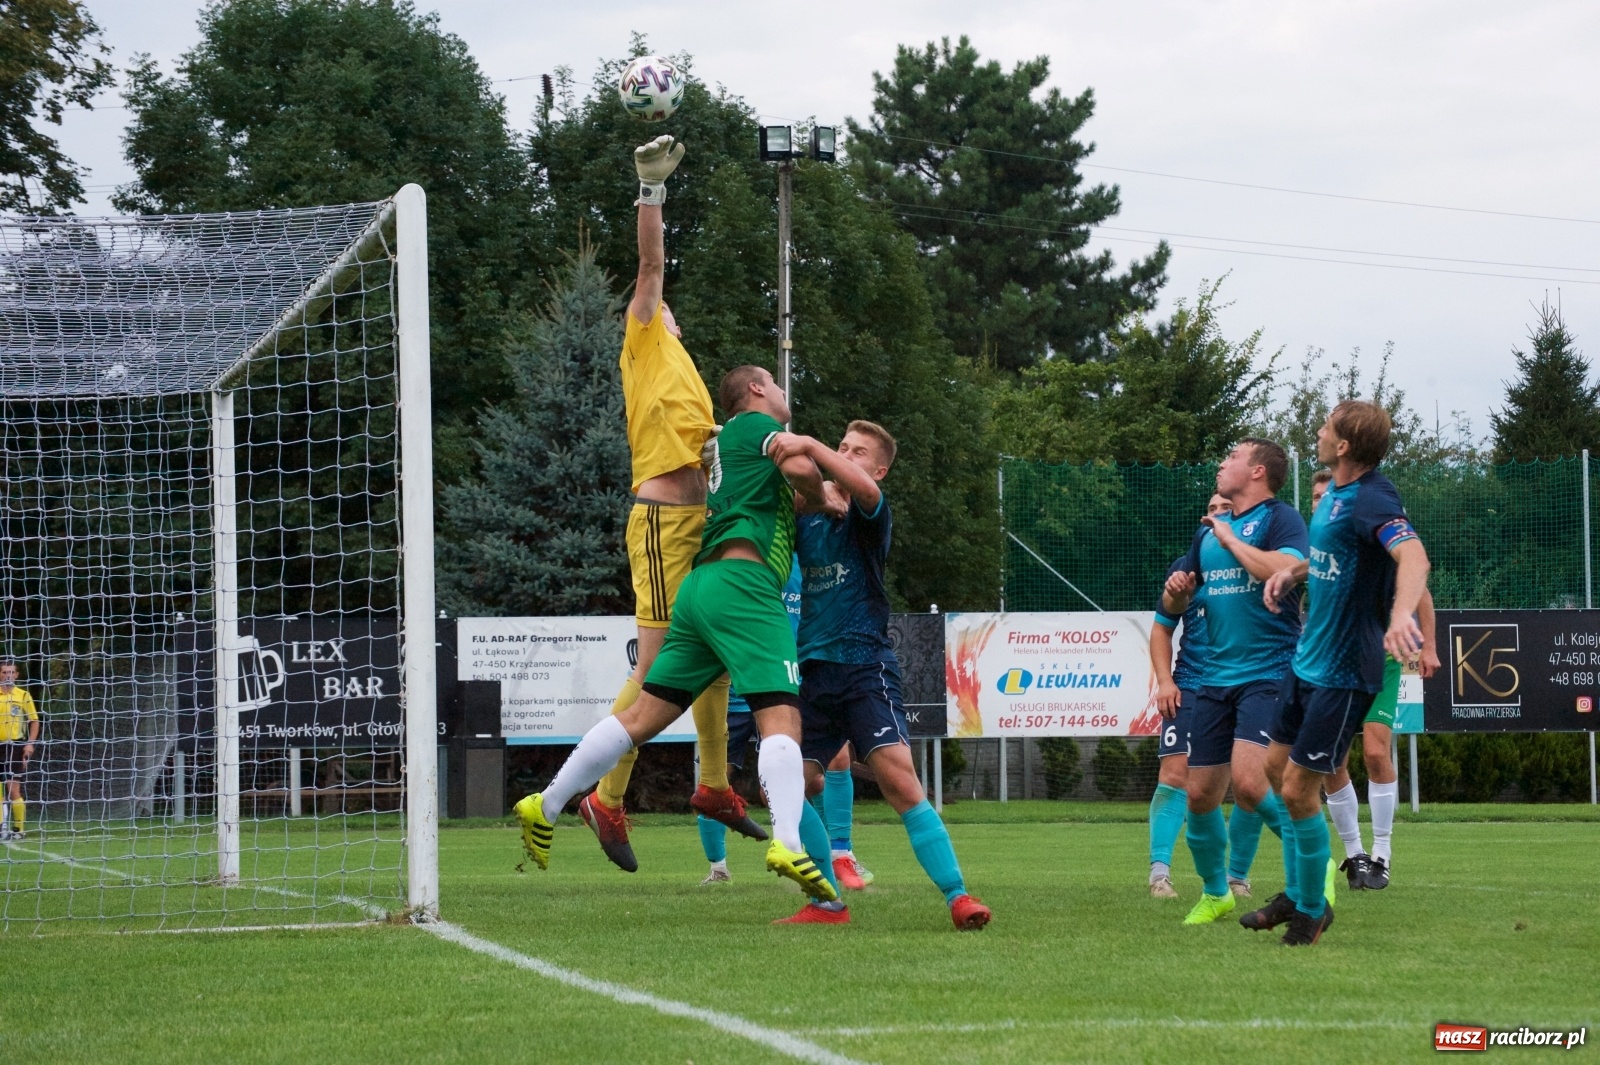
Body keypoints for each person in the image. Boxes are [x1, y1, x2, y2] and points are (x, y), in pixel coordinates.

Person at [516, 365, 838, 907]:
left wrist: (810, 494)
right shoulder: (748, 426)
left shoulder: (738, 458)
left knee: (641, 717)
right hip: (743, 584)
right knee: (782, 717)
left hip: (701, 590)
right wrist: (822, 484)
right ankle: (786, 843)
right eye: (777, 386)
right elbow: (801, 463)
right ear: (756, 391)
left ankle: (545, 804)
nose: (783, 396)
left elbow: (785, 493)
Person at [576, 134, 763, 873]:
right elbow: (651, 263)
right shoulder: (645, 335)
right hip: (660, 524)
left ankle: (714, 785)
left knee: (711, 659)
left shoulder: (680, 363)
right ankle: (605, 795)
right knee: (660, 667)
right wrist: (650, 187)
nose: (663, 305)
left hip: (697, 522)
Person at [772, 421, 991, 930]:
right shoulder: (811, 514)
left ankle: (958, 897)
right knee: (786, 782)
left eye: (856, 451)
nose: (844, 454)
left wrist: (809, 446)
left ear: (879, 468)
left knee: (899, 780)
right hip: (815, 672)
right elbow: (790, 486)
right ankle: (828, 903)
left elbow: (860, 489)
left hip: (865, 667)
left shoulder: (870, 514)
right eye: (842, 445)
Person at [1245, 400, 1431, 946]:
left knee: (1303, 790)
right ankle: (1303, 894)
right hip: (1308, 661)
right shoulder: (1336, 494)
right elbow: (1335, 557)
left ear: (1345, 445)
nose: (1319, 431)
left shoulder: (1374, 496)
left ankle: (1309, 910)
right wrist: (1296, 572)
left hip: (1345, 670)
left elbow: (1415, 558)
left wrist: (1400, 617)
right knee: (1277, 773)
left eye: (1326, 426)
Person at [1162, 439, 1307, 927]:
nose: (1222, 464)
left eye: (1232, 457)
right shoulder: (1207, 536)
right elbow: (1175, 605)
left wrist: (1230, 541)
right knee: (1198, 794)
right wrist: (1179, 592)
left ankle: (1311, 867)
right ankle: (1216, 892)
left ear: (1258, 471)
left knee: (1250, 782)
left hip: (1269, 672)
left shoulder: (1279, 519)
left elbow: (1287, 569)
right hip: (1213, 680)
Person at [1307, 472, 1441, 892]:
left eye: (1325, 493)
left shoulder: (1368, 532)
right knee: (1331, 761)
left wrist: (1430, 646)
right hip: (1328, 664)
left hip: (1378, 659)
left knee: (1376, 752)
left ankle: (1382, 855)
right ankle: (1355, 854)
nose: (1320, 500)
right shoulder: (1315, 541)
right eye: (1313, 496)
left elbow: (1419, 588)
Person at [699, 555, 803, 885]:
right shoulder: (738, 558)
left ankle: (824, 854)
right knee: (714, 781)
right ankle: (718, 868)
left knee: (783, 784)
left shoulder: (797, 566)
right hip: (731, 695)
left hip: (776, 691)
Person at [1147, 493, 1229, 898]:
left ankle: (1238, 877)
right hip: (1192, 686)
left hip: (1242, 687)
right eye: (1211, 510)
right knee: (1176, 776)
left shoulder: (1257, 562)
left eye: (1225, 510)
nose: (1215, 517)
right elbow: (1162, 626)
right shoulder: (1185, 570)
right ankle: (1159, 874)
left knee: (1246, 786)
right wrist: (1166, 682)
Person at [0, 659, 40, 841]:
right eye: (4, 672)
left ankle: (19, 829)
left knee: (13, 789)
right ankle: (2, 828)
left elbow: (34, 721)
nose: (8, 676)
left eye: (11, 672)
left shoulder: (23, 695)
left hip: (15, 746)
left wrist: (30, 743)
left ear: (16, 675)